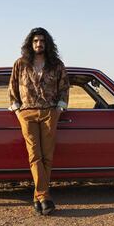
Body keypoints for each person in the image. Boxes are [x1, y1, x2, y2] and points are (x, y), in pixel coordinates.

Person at [8, 27, 70, 215]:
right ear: (30, 43)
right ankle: (44, 196)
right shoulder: (20, 64)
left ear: (47, 43)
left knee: (47, 156)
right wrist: (18, 111)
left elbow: (64, 87)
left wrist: (59, 109)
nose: (38, 44)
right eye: (35, 41)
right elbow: (12, 89)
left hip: (49, 112)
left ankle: (38, 197)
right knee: (34, 154)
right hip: (27, 113)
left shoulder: (56, 64)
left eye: (42, 41)